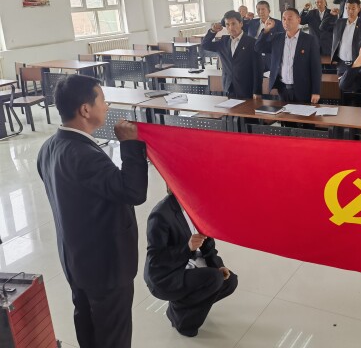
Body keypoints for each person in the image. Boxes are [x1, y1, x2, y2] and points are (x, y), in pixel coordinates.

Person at [37, 75, 148, 348]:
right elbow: (133, 192)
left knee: (88, 329)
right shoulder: (84, 155)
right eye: (103, 100)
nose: (107, 106)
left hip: (77, 261)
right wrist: (130, 144)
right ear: (85, 110)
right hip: (106, 269)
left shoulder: (49, 148)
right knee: (113, 338)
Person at [144, 191, 238, 338]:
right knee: (214, 279)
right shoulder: (160, 215)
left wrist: (218, 265)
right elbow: (156, 260)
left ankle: (182, 305)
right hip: (165, 275)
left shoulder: (197, 204)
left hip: (189, 261)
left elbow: (208, 244)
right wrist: (186, 248)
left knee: (230, 281)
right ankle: (183, 321)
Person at [255, 7, 322, 104]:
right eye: (284, 19)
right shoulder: (277, 38)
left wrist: (316, 91)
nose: (286, 22)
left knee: (301, 113)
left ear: (298, 20)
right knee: (284, 113)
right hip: (282, 89)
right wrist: (266, 30)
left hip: (303, 89)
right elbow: (258, 48)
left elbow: (316, 68)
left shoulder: (309, 40)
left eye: (290, 19)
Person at [201, 10, 263, 99]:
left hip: (247, 88)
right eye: (227, 24)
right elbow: (205, 45)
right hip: (228, 87)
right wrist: (213, 31)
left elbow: (258, 69)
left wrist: (257, 91)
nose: (231, 27)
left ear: (241, 24)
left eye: (233, 24)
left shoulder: (252, 42)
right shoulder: (223, 41)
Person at [322, 0, 361, 76]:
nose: (350, 11)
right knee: (341, 83)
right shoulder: (339, 22)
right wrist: (331, 15)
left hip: (357, 63)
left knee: (356, 83)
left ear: (359, 9)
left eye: (353, 8)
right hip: (341, 64)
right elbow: (323, 27)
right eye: (348, 8)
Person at [245, 0, 283, 69]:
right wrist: (245, 17)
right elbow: (236, 25)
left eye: (263, 9)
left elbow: (281, 41)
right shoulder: (251, 22)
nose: (261, 12)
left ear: (269, 11)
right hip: (253, 56)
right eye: (258, 9)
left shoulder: (278, 23)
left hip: (270, 58)